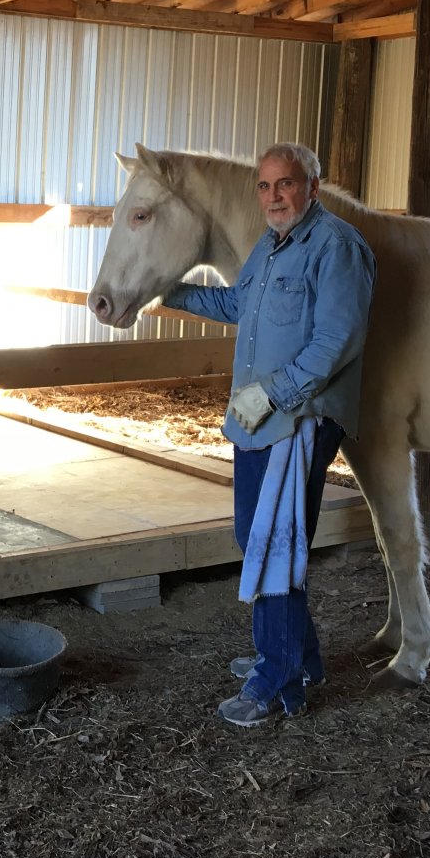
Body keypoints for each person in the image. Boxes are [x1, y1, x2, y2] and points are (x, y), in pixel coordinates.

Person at [162, 142, 376, 728]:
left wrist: (275, 392)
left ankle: (274, 680)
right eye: (265, 186)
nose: (274, 195)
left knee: (275, 545)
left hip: (297, 418)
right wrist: (170, 290)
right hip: (257, 417)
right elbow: (237, 304)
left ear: (314, 184)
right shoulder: (269, 246)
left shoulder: (336, 248)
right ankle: (299, 657)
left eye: (286, 183)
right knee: (254, 533)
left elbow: (338, 340)